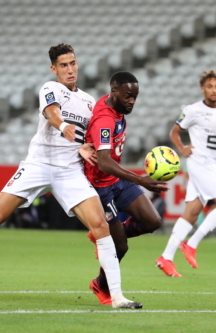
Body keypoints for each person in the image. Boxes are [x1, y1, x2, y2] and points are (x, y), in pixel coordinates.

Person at [0, 44, 141, 309]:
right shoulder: (50, 88)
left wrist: (84, 147)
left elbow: (89, 137)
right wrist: (63, 125)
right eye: (63, 65)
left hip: (69, 170)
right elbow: (51, 113)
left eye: (73, 63)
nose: (70, 69)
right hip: (38, 165)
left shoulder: (88, 102)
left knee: (101, 226)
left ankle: (116, 296)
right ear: (53, 69)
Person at [83, 72, 168, 305]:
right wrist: (141, 180)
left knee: (153, 221)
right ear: (114, 91)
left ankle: (105, 235)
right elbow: (104, 161)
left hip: (117, 180)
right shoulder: (105, 119)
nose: (132, 101)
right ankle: (101, 286)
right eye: (128, 96)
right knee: (121, 245)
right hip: (101, 187)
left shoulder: (117, 109)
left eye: (135, 97)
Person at [156, 70, 216, 277]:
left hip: (211, 162)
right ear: (203, 89)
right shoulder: (193, 110)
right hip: (199, 164)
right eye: (210, 86)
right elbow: (174, 132)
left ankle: (166, 257)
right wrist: (181, 147)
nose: (214, 90)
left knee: (192, 212)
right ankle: (191, 244)